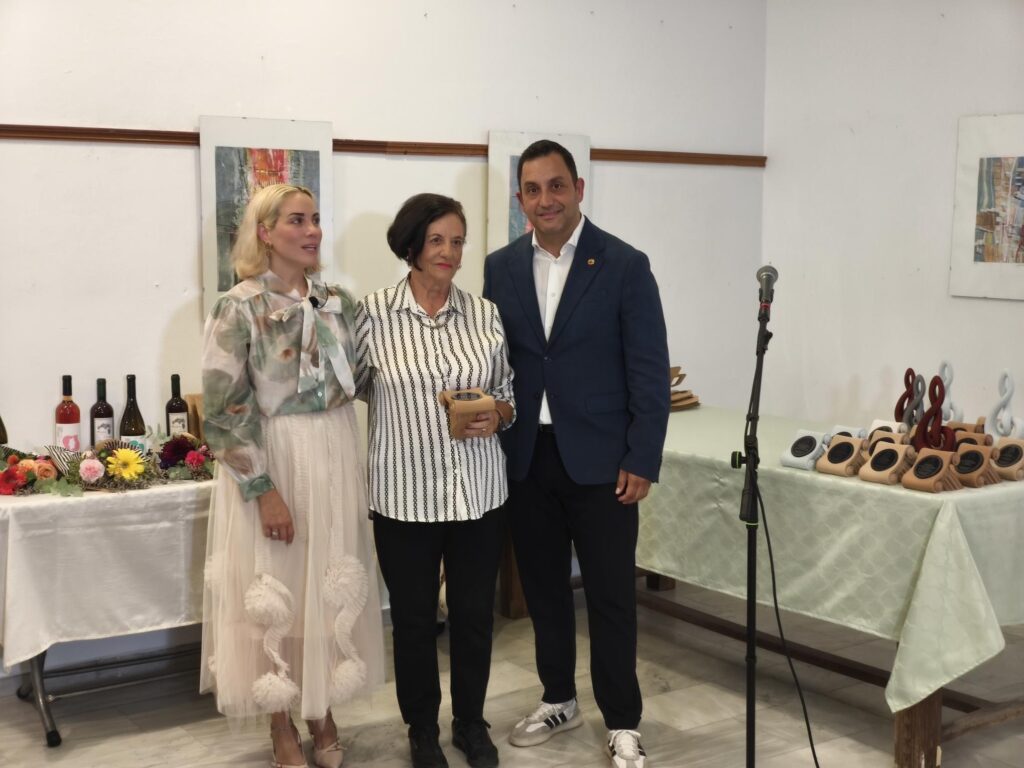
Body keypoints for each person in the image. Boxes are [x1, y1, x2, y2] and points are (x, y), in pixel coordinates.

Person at [483, 140, 670, 768]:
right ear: (521, 199)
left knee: (611, 596)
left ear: (579, 189)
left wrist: (642, 456)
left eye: (557, 185)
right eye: (533, 189)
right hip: (527, 458)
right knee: (543, 591)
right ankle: (558, 698)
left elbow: (649, 369)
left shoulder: (624, 264)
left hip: (603, 462)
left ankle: (623, 720)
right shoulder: (501, 268)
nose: (546, 200)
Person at [200, 184, 385, 768]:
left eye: (316, 219)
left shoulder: (337, 301)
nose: (312, 231)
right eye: (297, 221)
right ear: (265, 232)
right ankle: (279, 717)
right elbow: (224, 410)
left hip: (334, 451)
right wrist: (263, 491)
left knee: (323, 582)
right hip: (274, 456)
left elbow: (366, 376)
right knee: (275, 585)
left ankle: (320, 706)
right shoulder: (238, 307)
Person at [355, 193, 515, 768]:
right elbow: (350, 388)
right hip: (404, 495)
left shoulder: (485, 314)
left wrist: (498, 413)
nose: (449, 252)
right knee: (415, 621)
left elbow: (509, 393)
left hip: (479, 493)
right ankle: (421, 728)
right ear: (412, 245)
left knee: (474, 618)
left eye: (457, 241)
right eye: (437, 240)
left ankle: (471, 723)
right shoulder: (371, 314)